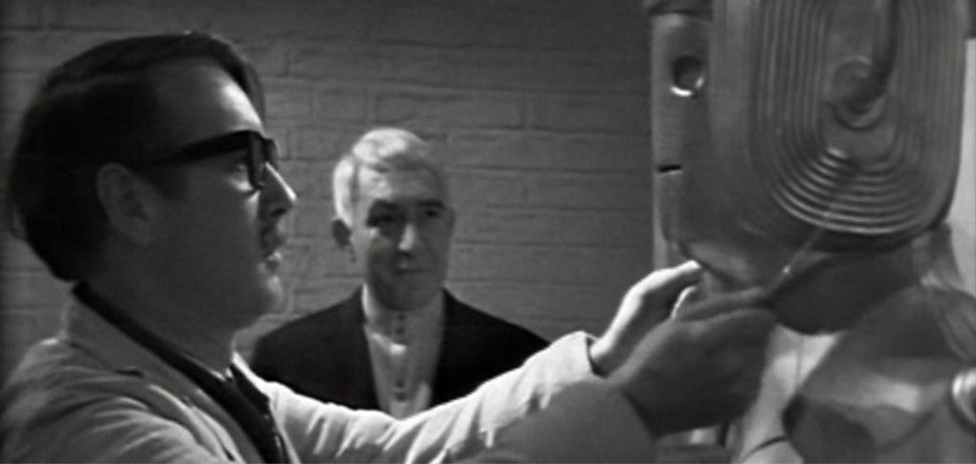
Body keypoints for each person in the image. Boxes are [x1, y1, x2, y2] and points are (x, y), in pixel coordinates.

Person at [0, 31, 775, 462]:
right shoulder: (86, 428)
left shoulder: (221, 383)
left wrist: (604, 359)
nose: (284, 197)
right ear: (130, 202)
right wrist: (633, 406)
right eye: (242, 162)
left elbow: (404, 449)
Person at [644, 0, 976, 460]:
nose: (682, 113)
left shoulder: (935, 382)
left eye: (696, 70)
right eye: (681, 72)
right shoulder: (706, 330)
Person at [251, 128, 547, 418]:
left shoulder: (522, 364)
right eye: (387, 219)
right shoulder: (284, 362)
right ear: (345, 236)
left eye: (430, 215)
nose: (411, 244)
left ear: (449, 226)